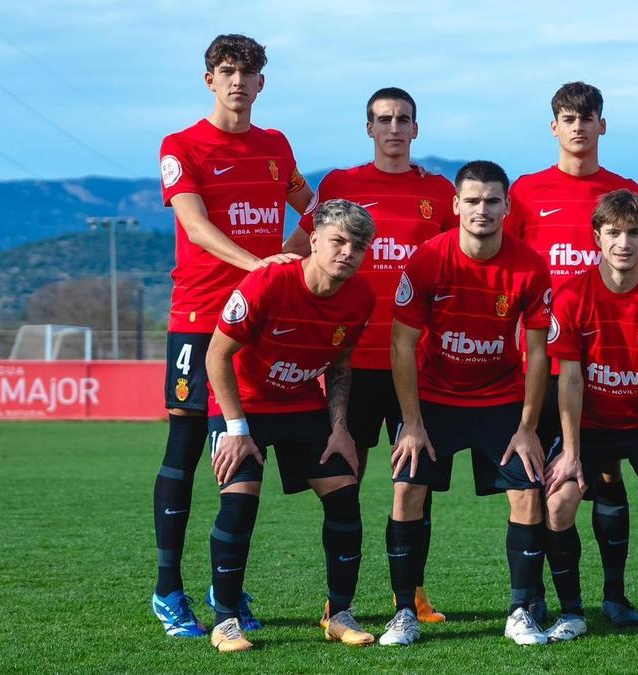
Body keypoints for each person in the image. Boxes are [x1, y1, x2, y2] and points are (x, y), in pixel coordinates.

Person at [152, 33, 314, 638]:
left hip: (260, 326)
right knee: (187, 451)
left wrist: (291, 258)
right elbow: (193, 227)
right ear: (209, 80)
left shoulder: (275, 146)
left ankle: (227, 590)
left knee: (240, 459)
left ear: (261, 83)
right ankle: (169, 588)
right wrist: (259, 264)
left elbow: (314, 211)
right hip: (199, 321)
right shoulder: (182, 145)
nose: (238, 82)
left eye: (248, 73)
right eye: (227, 71)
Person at [286, 86, 458, 623]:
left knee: (416, 487)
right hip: (352, 364)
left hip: (418, 366)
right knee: (345, 485)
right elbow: (302, 245)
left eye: (403, 119)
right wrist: (268, 270)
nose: (393, 128)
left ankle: (413, 594)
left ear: (415, 129)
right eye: (383, 119)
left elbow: (460, 267)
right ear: (369, 129)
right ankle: (341, 601)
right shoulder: (341, 184)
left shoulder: (439, 191)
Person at [381, 161, 553, 647]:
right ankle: (403, 613)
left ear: (506, 207)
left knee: (526, 493)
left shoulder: (529, 265)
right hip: (435, 399)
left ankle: (520, 611)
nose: (482, 209)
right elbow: (401, 344)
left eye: (492, 200)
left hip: (501, 398)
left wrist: (527, 426)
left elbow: (538, 351)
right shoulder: (427, 260)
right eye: (472, 201)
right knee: (406, 491)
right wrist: (411, 423)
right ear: (455, 206)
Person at [203, 199, 377, 652]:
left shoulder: (361, 297)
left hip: (302, 405)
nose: (347, 253)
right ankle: (225, 620)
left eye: (358, 246)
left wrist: (340, 427)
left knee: (344, 498)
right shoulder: (268, 281)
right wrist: (237, 430)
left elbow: (340, 364)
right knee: (239, 503)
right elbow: (216, 357)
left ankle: (338, 613)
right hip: (242, 404)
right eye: (338, 241)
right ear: (314, 239)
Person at [506, 81, 638, 627]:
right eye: (568, 118)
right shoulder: (526, 192)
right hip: (540, 365)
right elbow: (508, 265)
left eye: (588, 118)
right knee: (540, 484)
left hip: (607, 368)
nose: (579, 127)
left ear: (602, 126)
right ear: (554, 127)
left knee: (607, 478)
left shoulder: (623, 189)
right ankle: (536, 596)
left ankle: (615, 595)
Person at [543, 189, 638, 644]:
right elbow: (569, 380)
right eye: (613, 233)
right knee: (558, 503)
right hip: (588, 426)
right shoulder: (571, 296)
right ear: (597, 238)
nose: (623, 242)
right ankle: (571, 612)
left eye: (633, 233)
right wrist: (570, 452)